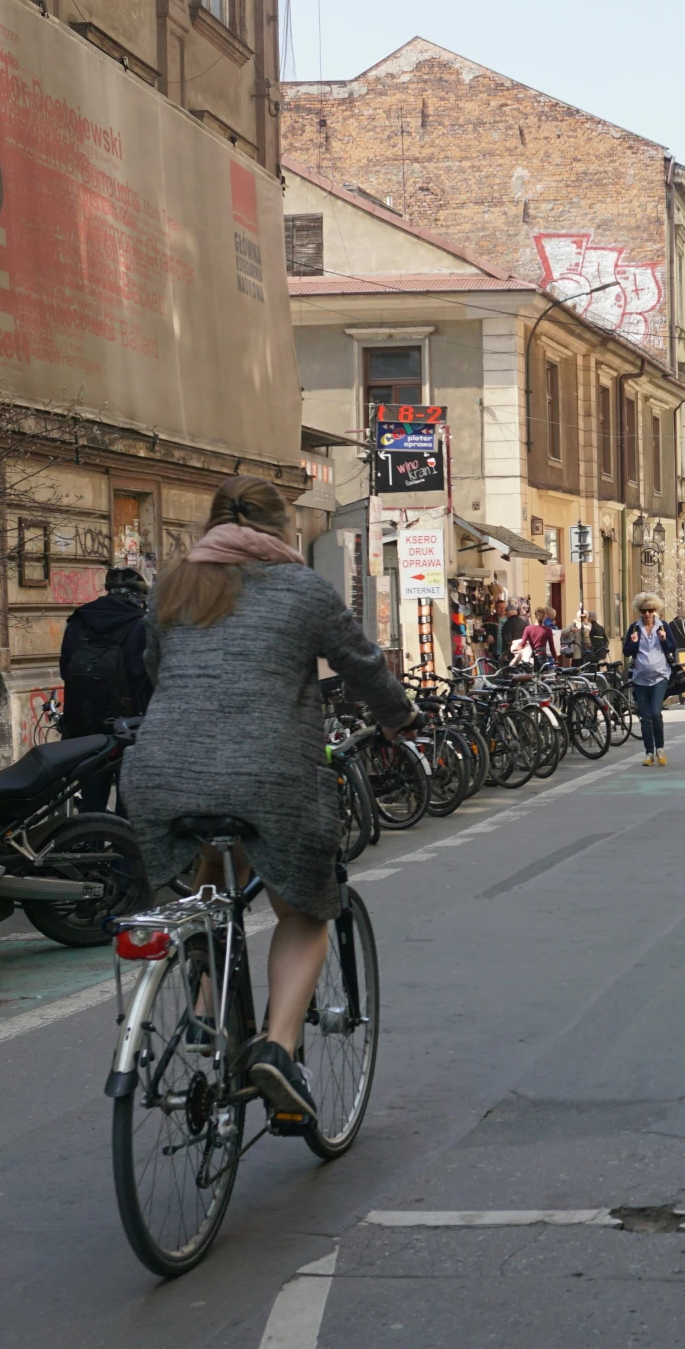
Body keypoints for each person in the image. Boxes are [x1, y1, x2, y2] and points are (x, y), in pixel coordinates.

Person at [122, 476, 419, 1129]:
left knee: (209, 874)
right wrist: (400, 719)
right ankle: (277, 1050)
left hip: (161, 767)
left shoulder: (170, 585)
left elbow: (154, 666)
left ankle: (205, 1006)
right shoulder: (303, 589)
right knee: (307, 908)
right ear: (281, 529)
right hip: (270, 771)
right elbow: (364, 666)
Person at [58, 566, 152, 738]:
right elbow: (150, 676)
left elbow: (65, 670)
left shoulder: (78, 620)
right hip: (128, 727)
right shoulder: (143, 625)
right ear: (140, 596)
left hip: (79, 723)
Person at [622, 593, 682, 767]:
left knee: (655, 713)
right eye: (644, 611)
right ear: (639, 611)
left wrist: (663, 639)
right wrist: (633, 643)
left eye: (650, 610)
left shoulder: (662, 626)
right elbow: (627, 651)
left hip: (660, 677)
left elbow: (672, 647)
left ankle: (660, 749)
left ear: (655, 610)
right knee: (645, 717)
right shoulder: (634, 628)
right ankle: (649, 752)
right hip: (640, 679)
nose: (647, 614)